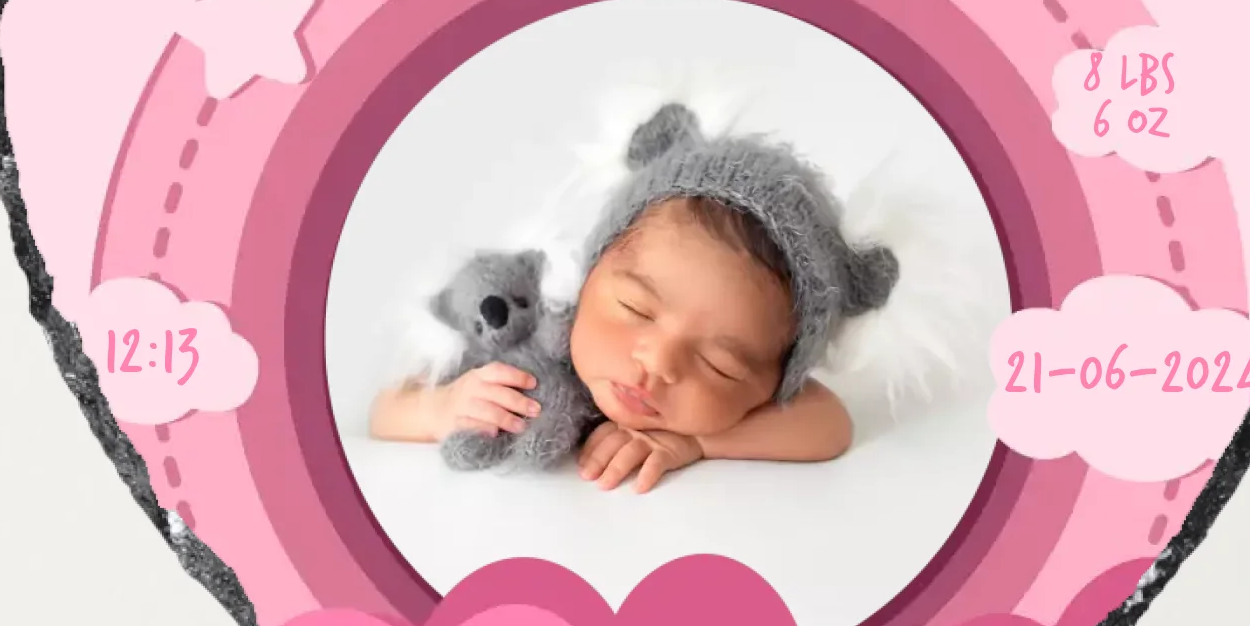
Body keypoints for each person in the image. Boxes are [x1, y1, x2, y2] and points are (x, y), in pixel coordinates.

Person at [368, 102, 900, 493]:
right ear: (590, 275)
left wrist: (695, 443)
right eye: (635, 309)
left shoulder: (744, 409)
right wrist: (442, 409)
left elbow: (830, 425)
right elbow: (385, 411)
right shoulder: (533, 339)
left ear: (771, 385)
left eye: (720, 365)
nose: (658, 363)